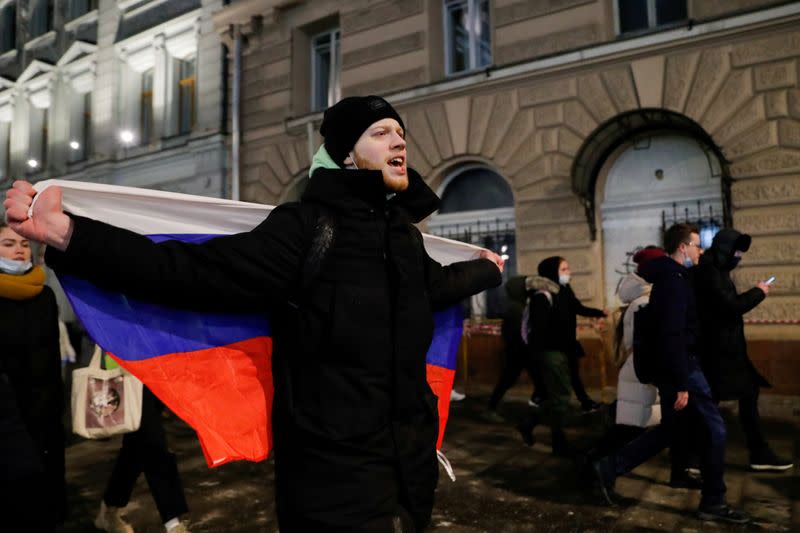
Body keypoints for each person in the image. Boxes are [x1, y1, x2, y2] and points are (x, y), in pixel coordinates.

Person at [4, 95, 504, 532]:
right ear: (346, 155)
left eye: (401, 133)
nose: (399, 142)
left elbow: (435, 287)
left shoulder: (404, 238)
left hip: (413, 471)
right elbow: (186, 271)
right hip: (334, 476)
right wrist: (70, 234)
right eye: (381, 132)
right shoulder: (307, 230)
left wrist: (487, 269)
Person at [592, 224, 749, 525]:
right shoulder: (674, 280)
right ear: (682, 247)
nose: (699, 250)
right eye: (695, 244)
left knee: (672, 430)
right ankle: (714, 501)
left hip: (675, 367)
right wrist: (681, 383)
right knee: (715, 429)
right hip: (683, 368)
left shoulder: (670, 277)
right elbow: (672, 333)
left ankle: (608, 468)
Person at [693, 229, 792, 472]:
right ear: (725, 249)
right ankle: (755, 453)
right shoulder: (711, 273)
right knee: (728, 397)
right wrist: (759, 291)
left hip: (724, 351)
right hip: (719, 353)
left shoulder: (716, 270)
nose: (739, 256)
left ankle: (694, 458)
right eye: (737, 251)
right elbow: (730, 306)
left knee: (716, 400)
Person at [0, 223, 66, 531]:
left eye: (24, 244)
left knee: (46, 496)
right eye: (8, 243)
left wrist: (56, 402)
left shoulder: (45, 296)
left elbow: (52, 355)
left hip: (45, 410)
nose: (18, 249)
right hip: (6, 416)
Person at [517, 257, 606, 454]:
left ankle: (538, 428)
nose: (569, 272)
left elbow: (577, 308)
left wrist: (601, 313)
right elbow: (538, 332)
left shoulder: (564, 290)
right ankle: (551, 437)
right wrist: (538, 359)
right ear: (552, 272)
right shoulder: (542, 296)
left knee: (558, 398)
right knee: (561, 398)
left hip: (567, 350)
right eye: (564, 268)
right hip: (551, 353)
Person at [95, 351, 191, 533]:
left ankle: (109, 507)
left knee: (136, 448)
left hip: (157, 361)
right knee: (153, 443)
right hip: (129, 361)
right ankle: (173, 523)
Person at [487, 275, 543, 414]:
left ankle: (537, 405)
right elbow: (519, 333)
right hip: (519, 353)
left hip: (520, 352)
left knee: (539, 381)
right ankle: (491, 408)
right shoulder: (516, 309)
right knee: (508, 381)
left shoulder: (518, 306)